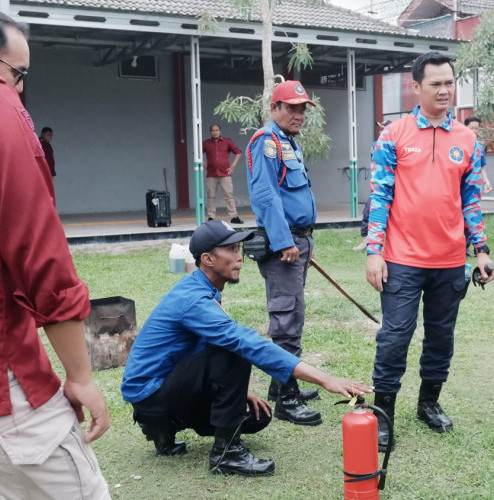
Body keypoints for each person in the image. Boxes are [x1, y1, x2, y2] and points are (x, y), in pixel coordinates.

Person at [121, 220, 372, 477]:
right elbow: (245, 343)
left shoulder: (200, 287)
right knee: (237, 349)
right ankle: (225, 454)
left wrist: (237, 392)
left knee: (255, 417)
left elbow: (203, 349)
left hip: (160, 390)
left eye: (238, 248)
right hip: (152, 395)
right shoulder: (193, 299)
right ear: (207, 259)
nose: (240, 257)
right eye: (230, 250)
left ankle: (163, 432)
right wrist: (326, 379)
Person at [0, 14, 110, 498]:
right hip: (11, 386)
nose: (19, 91)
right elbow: (40, 256)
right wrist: (81, 375)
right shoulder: (6, 117)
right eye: (17, 74)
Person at [366, 52, 494, 452]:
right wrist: (375, 252)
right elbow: (380, 196)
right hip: (402, 259)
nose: (444, 90)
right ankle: (383, 412)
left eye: (449, 82)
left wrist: (482, 251)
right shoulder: (393, 134)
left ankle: (429, 403)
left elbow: (471, 199)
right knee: (395, 336)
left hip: (450, 262)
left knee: (441, 337)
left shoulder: (468, 139)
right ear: (416, 86)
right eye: (435, 83)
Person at [246, 80, 322, 425]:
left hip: (297, 241)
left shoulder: (287, 143)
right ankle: (287, 401)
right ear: (274, 109)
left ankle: (281, 383)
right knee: (286, 319)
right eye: (291, 108)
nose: (299, 114)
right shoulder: (267, 143)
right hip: (285, 245)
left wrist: (301, 243)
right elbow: (265, 197)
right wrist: (285, 242)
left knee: (294, 313)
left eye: (303, 108)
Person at [353, 119, 392, 251]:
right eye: (380, 128)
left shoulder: (397, 142)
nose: (380, 131)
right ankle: (366, 240)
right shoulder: (377, 144)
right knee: (369, 210)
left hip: (396, 187)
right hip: (379, 187)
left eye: (383, 128)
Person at [202, 124, 244, 224]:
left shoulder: (227, 141)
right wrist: (203, 163)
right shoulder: (205, 143)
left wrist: (233, 166)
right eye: (213, 130)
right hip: (211, 174)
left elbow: (238, 152)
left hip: (225, 173)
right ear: (210, 132)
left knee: (229, 195)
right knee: (211, 196)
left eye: (217, 130)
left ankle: (234, 216)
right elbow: (197, 153)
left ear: (220, 131)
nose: (215, 132)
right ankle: (211, 217)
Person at [464, 117, 493, 194]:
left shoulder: (479, 146)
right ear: (465, 127)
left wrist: (486, 181)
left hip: (475, 186)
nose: (474, 131)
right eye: (471, 128)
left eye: (476, 128)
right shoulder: (459, 144)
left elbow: (481, 167)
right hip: (461, 184)